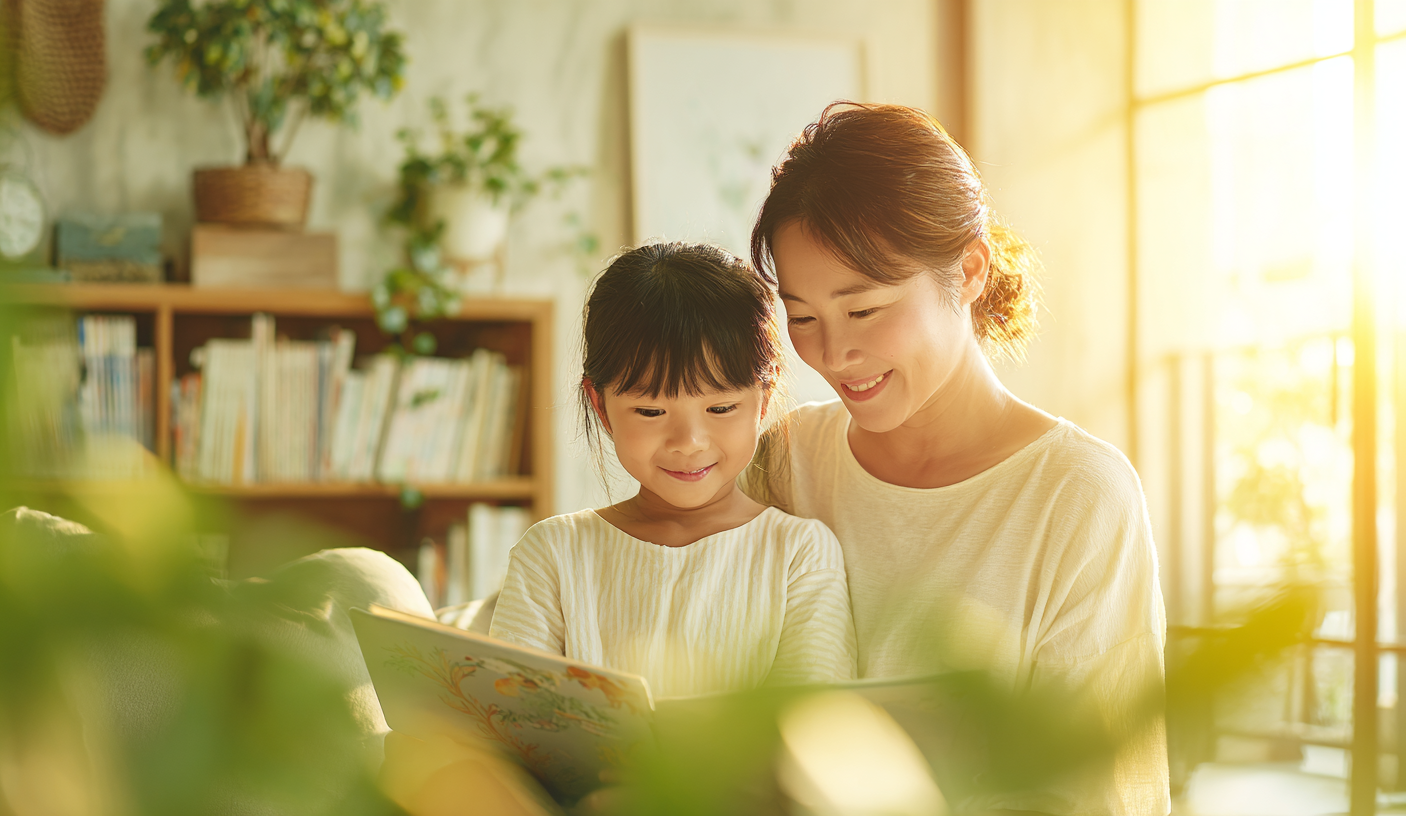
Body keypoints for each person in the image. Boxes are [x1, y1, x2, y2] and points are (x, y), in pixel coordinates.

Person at [746, 102, 1168, 815]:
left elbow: (1101, 787)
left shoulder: (1076, 496)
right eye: (804, 318)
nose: (833, 354)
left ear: (969, 270)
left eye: (866, 309)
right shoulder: (783, 462)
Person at [488, 241, 857, 698]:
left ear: (764, 398)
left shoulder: (799, 553)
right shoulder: (552, 553)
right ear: (600, 405)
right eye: (650, 412)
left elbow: (813, 726)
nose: (688, 443)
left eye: (720, 407)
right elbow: (510, 720)